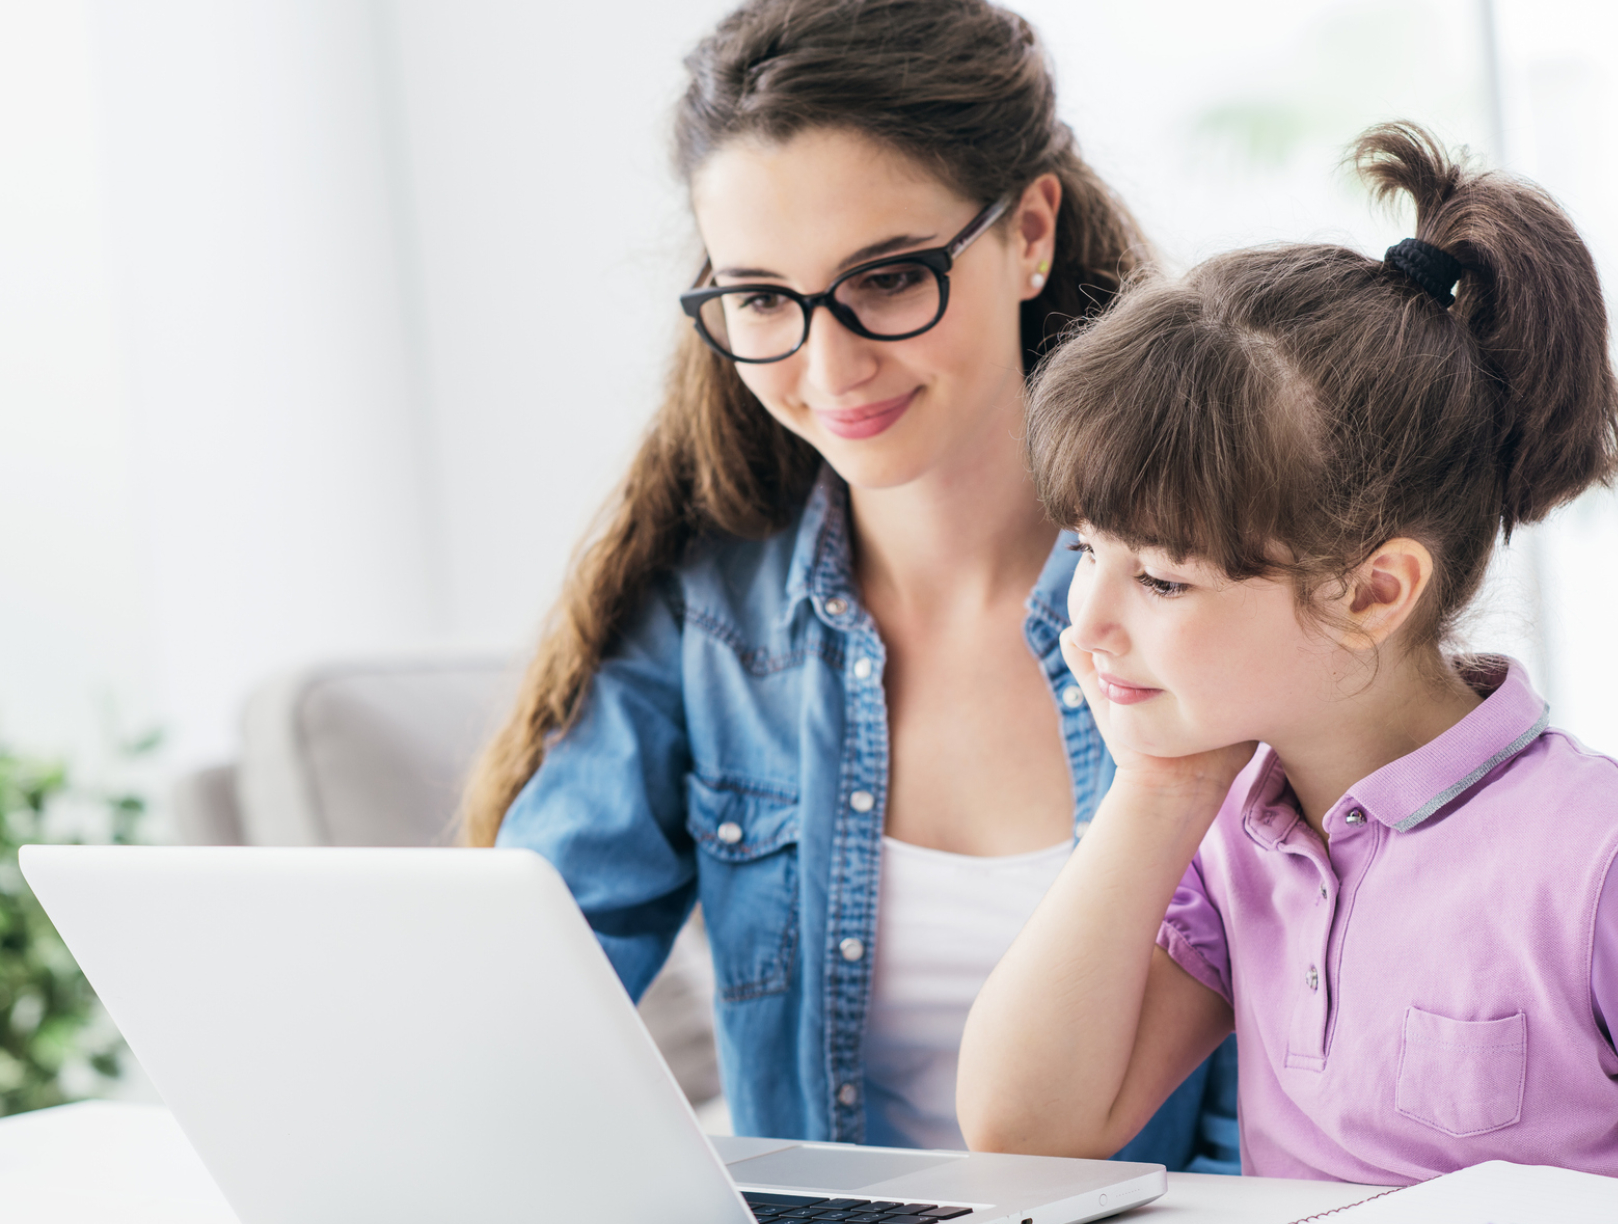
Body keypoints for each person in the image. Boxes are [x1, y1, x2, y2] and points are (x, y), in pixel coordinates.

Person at [956, 122, 1618, 1194]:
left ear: (1372, 593)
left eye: (1160, 579)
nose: (1084, 620)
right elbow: (1022, 1128)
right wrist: (1159, 783)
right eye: (1083, 549)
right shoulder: (1233, 839)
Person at [461, 0, 1238, 1167]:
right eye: (762, 298)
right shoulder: (709, 619)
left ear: (1029, 230)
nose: (828, 367)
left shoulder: (1227, 592)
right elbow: (505, 1009)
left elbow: (1298, 1097)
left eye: (888, 278)